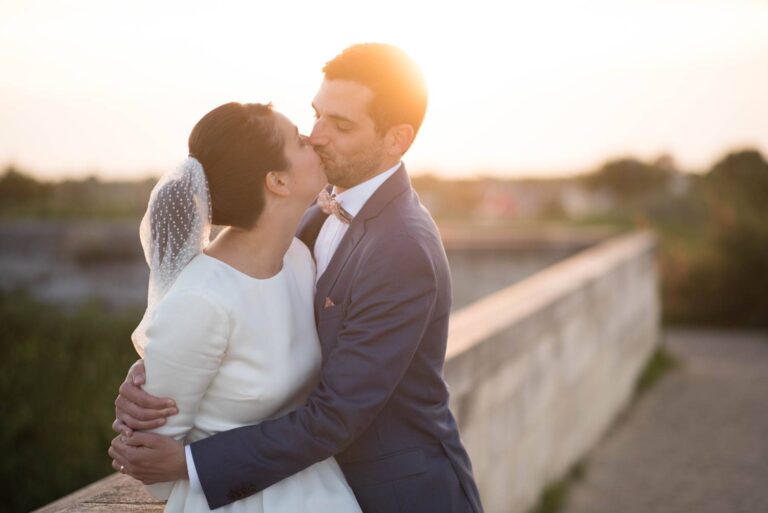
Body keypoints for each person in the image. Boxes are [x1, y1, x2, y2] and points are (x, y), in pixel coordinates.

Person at [110, 43, 484, 513]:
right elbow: (233, 320)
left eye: (341, 125)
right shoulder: (305, 224)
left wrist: (192, 463)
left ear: (397, 139)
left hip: (397, 494)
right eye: (316, 115)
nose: (317, 136)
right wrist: (156, 373)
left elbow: (336, 413)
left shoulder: (402, 247)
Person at [110, 101, 362, 513]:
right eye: (299, 140)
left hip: (319, 490)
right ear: (277, 181)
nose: (314, 139)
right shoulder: (201, 299)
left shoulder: (299, 259)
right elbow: (152, 466)